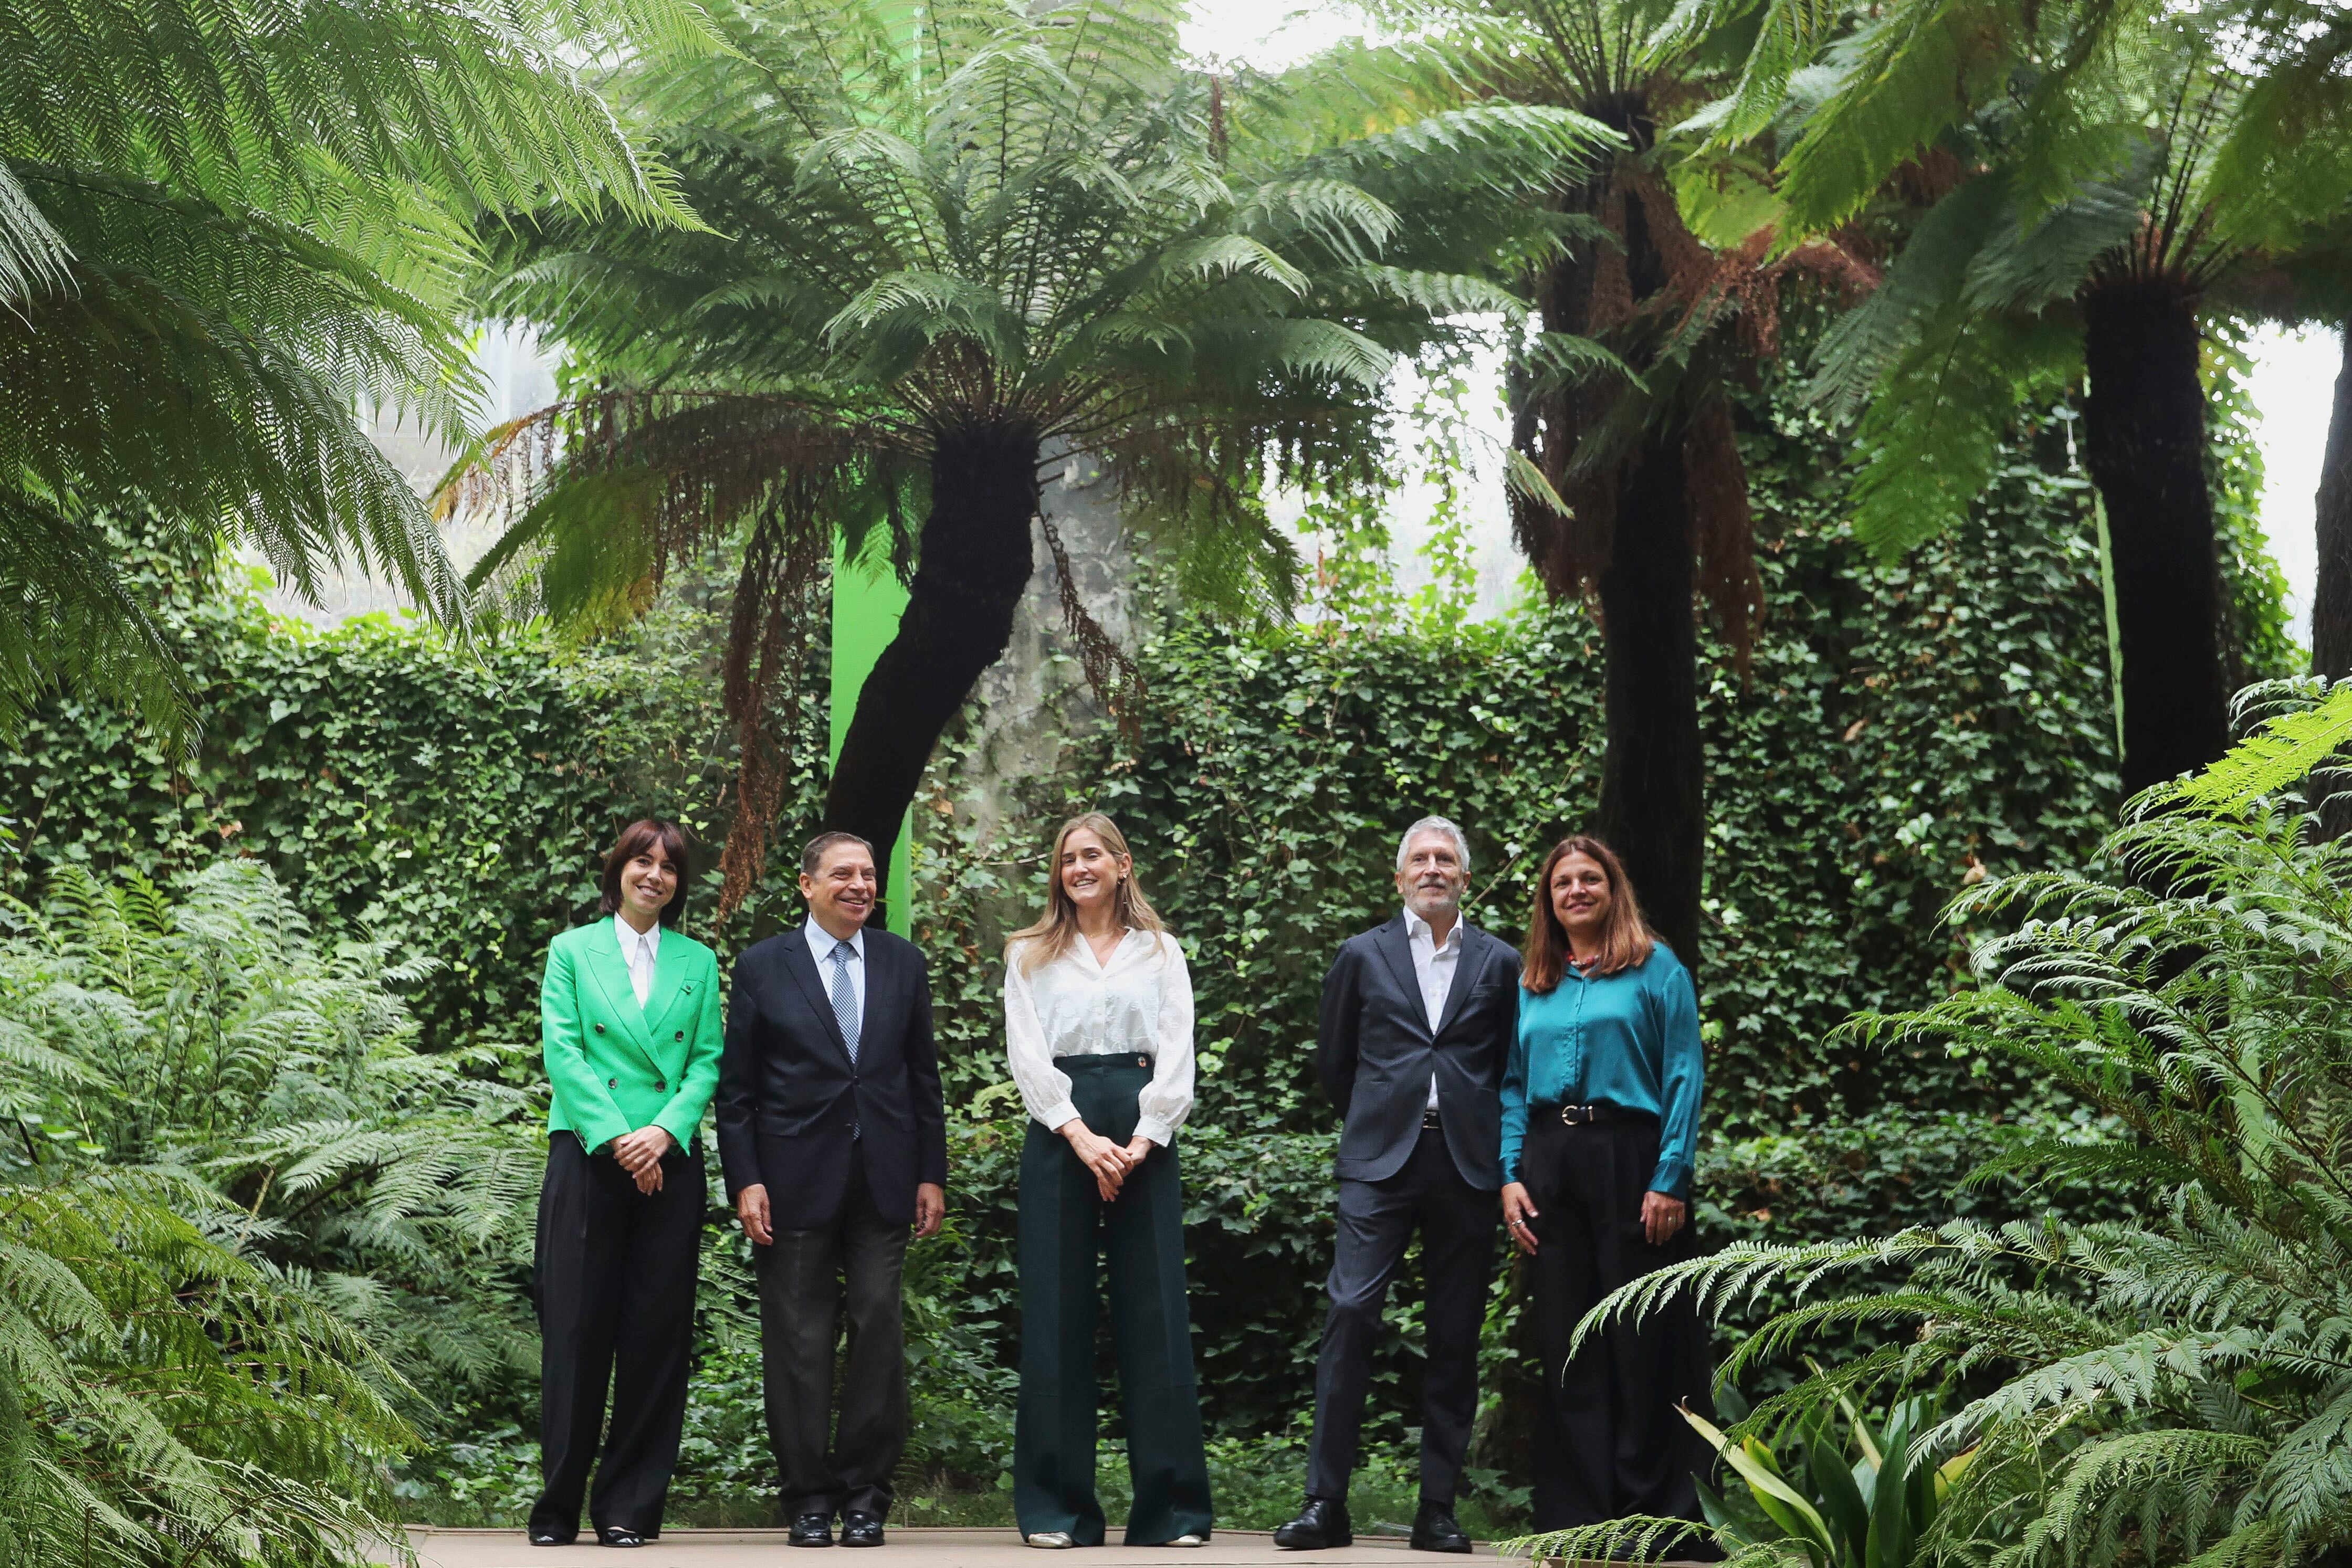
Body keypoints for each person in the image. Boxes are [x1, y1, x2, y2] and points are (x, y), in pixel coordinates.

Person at [1275, 817, 1521, 1555]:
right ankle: (1326, 1504)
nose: (1434, 868)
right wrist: (1383, 1118)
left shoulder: (1502, 962)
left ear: (1466, 878)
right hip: (1379, 1162)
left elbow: (1513, 1064)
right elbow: (1334, 1063)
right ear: (1399, 877)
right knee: (1350, 1315)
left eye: (1447, 859)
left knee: (1454, 1338)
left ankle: (1436, 1511)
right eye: (1420, 859)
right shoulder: (1361, 955)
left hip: (1468, 1167)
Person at [717, 832, 948, 1549]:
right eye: (843, 873)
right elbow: (738, 1092)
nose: (860, 884)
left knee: (878, 1328)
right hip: (790, 1184)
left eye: (869, 874)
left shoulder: (903, 963)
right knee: (798, 1342)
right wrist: (746, 1179)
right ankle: (808, 1500)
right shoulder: (762, 967)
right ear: (807, 884)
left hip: (885, 1179)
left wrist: (931, 1172)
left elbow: (922, 1078)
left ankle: (865, 1499)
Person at [1004, 813, 1215, 1551]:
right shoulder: (1030, 954)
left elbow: (1178, 1050)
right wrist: (1079, 1134)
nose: (1079, 867)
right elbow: (1027, 1055)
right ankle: (1057, 1511)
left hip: (1143, 1128)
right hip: (1062, 1130)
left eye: (1092, 855)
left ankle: (1174, 1512)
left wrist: (1144, 1136)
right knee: (1056, 1319)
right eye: (1068, 858)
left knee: (1154, 1314)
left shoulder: (1161, 952)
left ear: (1123, 865)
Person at [1499, 835, 1711, 1537]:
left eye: (1591, 879)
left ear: (1612, 889)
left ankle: (1657, 1511)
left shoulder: (1658, 969)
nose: (1578, 891)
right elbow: (1509, 1086)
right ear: (1549, 899)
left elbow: (1684, 1074)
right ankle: (1582, 1513)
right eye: (1564, 883)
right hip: (1550, 1163)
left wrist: (1671, 1175)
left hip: (1632, 1159)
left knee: (1641, 1332)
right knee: (1568, 1339)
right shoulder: (1536, 980)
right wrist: (1509, 1176)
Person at [529, 819, 723, 1549]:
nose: (655, 876)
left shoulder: (697, 961)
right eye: (643, 862)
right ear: (618, 871)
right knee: (576, 1332)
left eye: (669, 867)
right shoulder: (572, 951)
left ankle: (629, 1509)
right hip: (587, 1154)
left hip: (668, 1164)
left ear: (679, 884)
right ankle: (556, 1508)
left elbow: (707, 1060)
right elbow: (565, 1050)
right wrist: (618, 1136)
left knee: (656, 1336)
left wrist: (663, 1135)